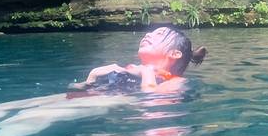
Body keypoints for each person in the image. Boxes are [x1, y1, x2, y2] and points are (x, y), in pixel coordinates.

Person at [75, 24, 207, 94]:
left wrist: (147, 71)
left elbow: (152, 103)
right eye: (150, 32)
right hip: (85, 101)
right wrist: (92, 77)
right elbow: (78, 91)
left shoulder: (176, 82)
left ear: (175, 54)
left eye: (159, 34)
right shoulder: (129, 70)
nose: (148, 34)